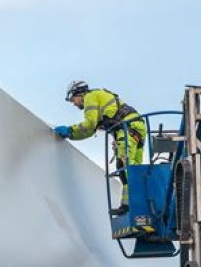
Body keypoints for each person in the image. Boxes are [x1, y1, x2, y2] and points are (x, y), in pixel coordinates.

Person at [54, 80, 146, 215]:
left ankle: (129, 206)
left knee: (124, 166)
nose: (74, 103)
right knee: (135, 169)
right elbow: (91, 131)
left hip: (127, 129)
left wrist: (70, 130)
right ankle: (139, 205)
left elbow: (89, 124)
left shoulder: (90, 97)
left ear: (79, 93)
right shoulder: (98, 96)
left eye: (73, 99)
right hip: (137, 128)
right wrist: (71, 135)